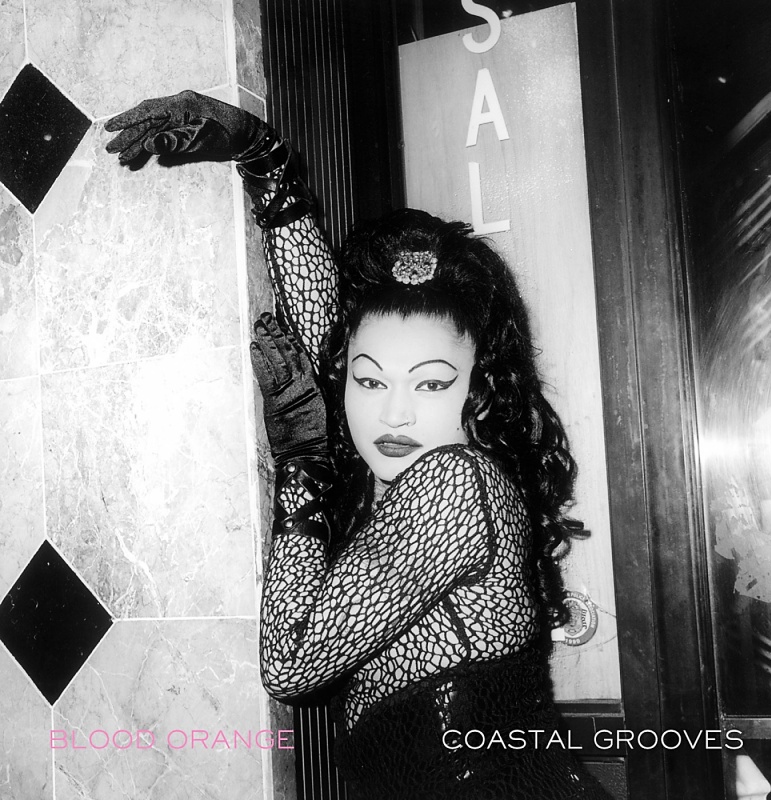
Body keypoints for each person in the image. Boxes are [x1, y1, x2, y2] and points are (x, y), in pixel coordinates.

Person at [106, 91, 611, 800]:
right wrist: (262, 157)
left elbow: (290, 666)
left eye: (432, 384)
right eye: (370, 382)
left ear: (480, 389)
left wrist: (302, 463)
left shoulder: (455, 485)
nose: (393, 411)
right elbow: (331, 337)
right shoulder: (408, 474)